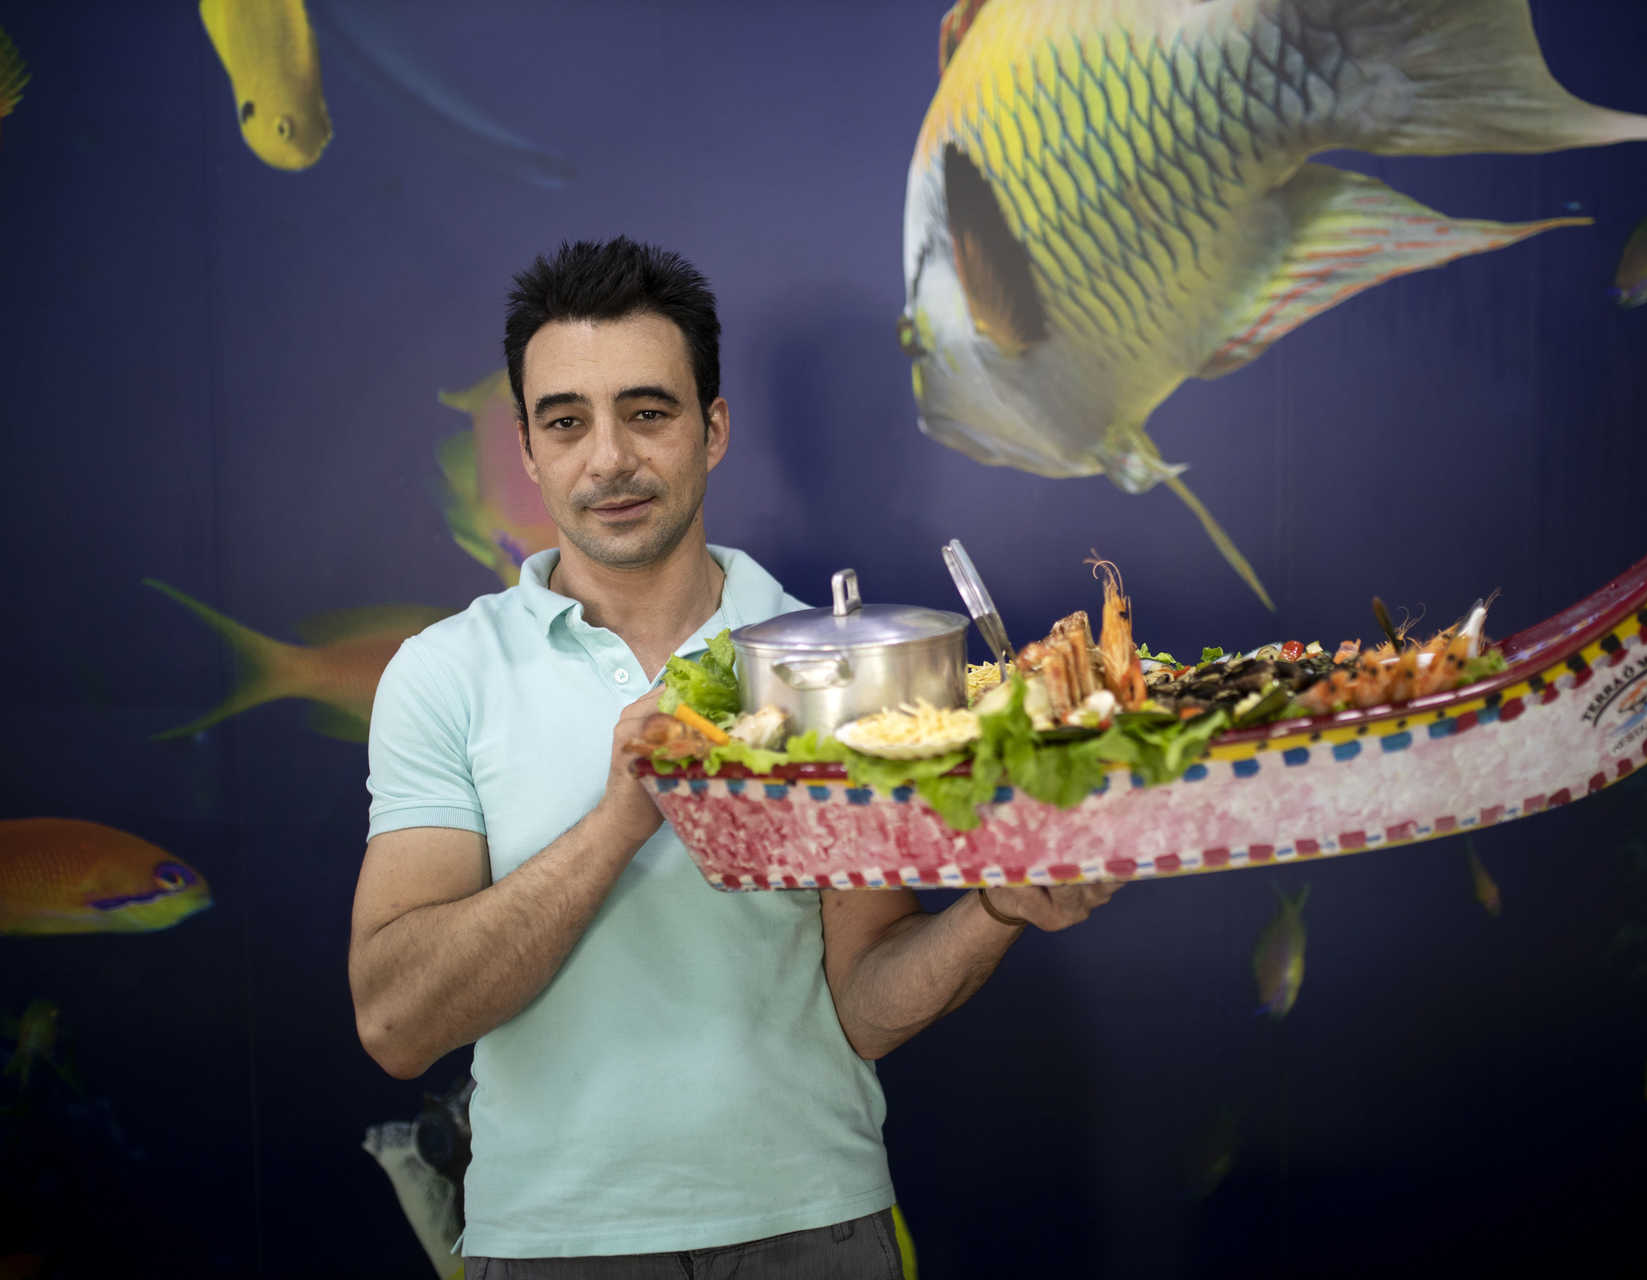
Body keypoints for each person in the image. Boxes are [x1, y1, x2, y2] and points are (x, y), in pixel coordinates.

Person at [347, 236, 1118, 1278]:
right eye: (566, 421)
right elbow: (397, 1023)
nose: (609, 458)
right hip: (548, 1245)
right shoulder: (445, 673)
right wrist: (621, 818)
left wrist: (998, 908)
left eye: (647, 412)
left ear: (712, 429)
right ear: (526, 448)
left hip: (816, 1229)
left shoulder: (834, 666)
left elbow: (865, 1006)